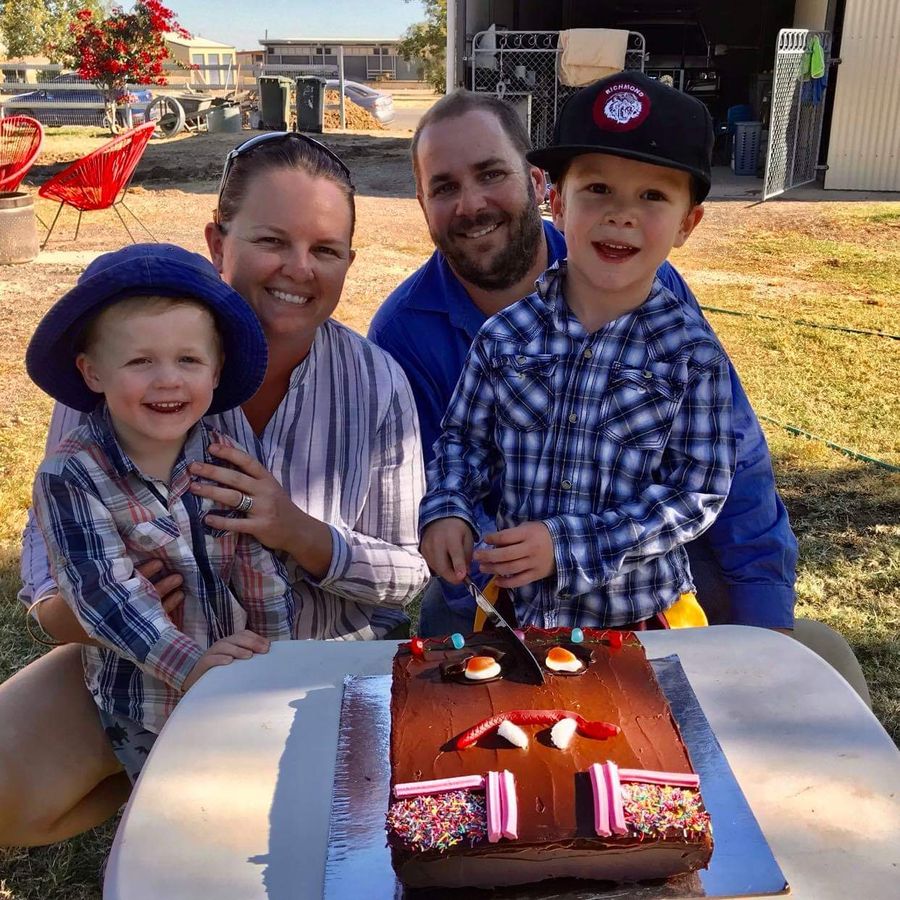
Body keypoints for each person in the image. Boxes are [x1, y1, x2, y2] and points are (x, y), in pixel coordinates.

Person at [2, 132, 430, 847]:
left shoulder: (376, 383)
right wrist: (112, 605)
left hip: (323, 660)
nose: (299, 269)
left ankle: (195, 780)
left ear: (349, 264)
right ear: (217, 240)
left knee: (308, 840)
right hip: (145, 659)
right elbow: (47, 584)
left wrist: (298, 530)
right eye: (272, 240)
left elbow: (408, 575)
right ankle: (145, 774)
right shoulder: (123, 363)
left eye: (325, 250)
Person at [368, 88, 797, 636]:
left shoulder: (683, 341)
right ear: (562, 200)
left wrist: (766, 617)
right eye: (445, 186)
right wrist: (446, 510)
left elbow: (717, 480)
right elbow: (456, 449)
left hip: (641, 611)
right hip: (505, 605)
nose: (621, 215)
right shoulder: (458, 335)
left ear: (536, 185)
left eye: (491, 173)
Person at [26, 244, 296, 782]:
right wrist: (192, 667)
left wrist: (277, 656)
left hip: (232, 673)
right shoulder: (71, 477)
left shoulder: (219, 457)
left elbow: (255, 563)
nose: (168, 379)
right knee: (178, 801)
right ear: (93, 372)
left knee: (251, 786)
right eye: (140, 360)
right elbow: (105, 596)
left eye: (188, 359)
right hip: (146, 702)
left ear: (216, 371)